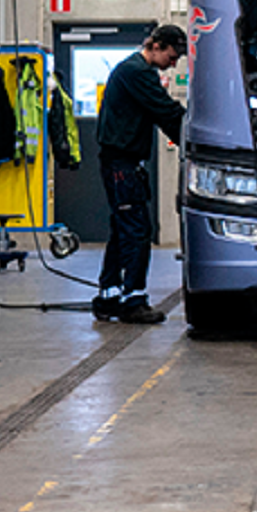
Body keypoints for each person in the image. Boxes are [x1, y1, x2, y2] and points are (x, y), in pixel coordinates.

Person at [92, 24, 188, 324]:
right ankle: (133, 300)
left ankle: (109, 296)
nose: (173, 64)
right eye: (172, 57)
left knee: (123, 229)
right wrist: (198, 136)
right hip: (123, 165)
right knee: (137, 230)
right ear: (157, 46)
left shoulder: (133, 71)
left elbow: (161, 115)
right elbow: (166, 113)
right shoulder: (137, 72)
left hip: (120, 162)